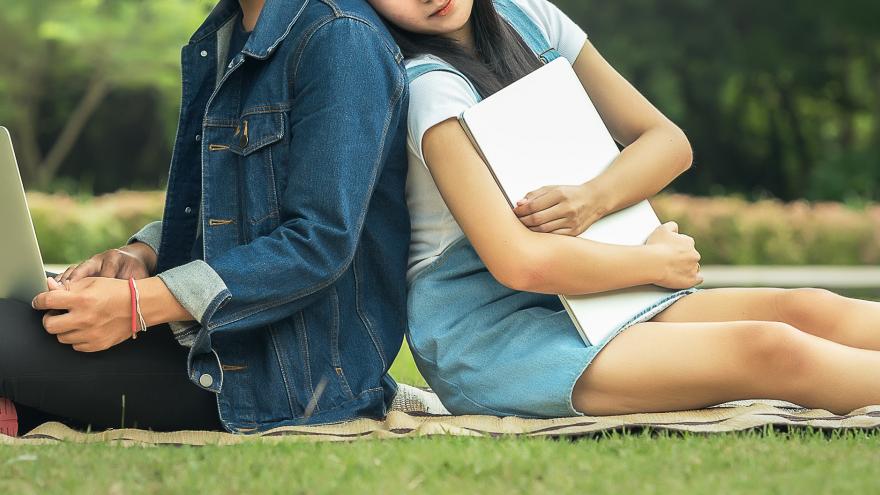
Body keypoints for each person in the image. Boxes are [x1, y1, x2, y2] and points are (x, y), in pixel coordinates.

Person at [365, 0, 880, 418]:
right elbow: (519, 263)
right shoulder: (430, 87)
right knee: (770, 350)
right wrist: (654, 264)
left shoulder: (529, 18)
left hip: (600, 292)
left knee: (807, 308)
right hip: (498, 336)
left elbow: (667, 143)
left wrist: (591, 200)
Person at [0, 0, 411, 436]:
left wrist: (137, 306)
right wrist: (142, 255)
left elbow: (319, 242)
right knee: (31, 302)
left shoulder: (341, 38)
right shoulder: (225, 34)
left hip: (279, 377)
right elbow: (233, 208)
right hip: (201, 339)